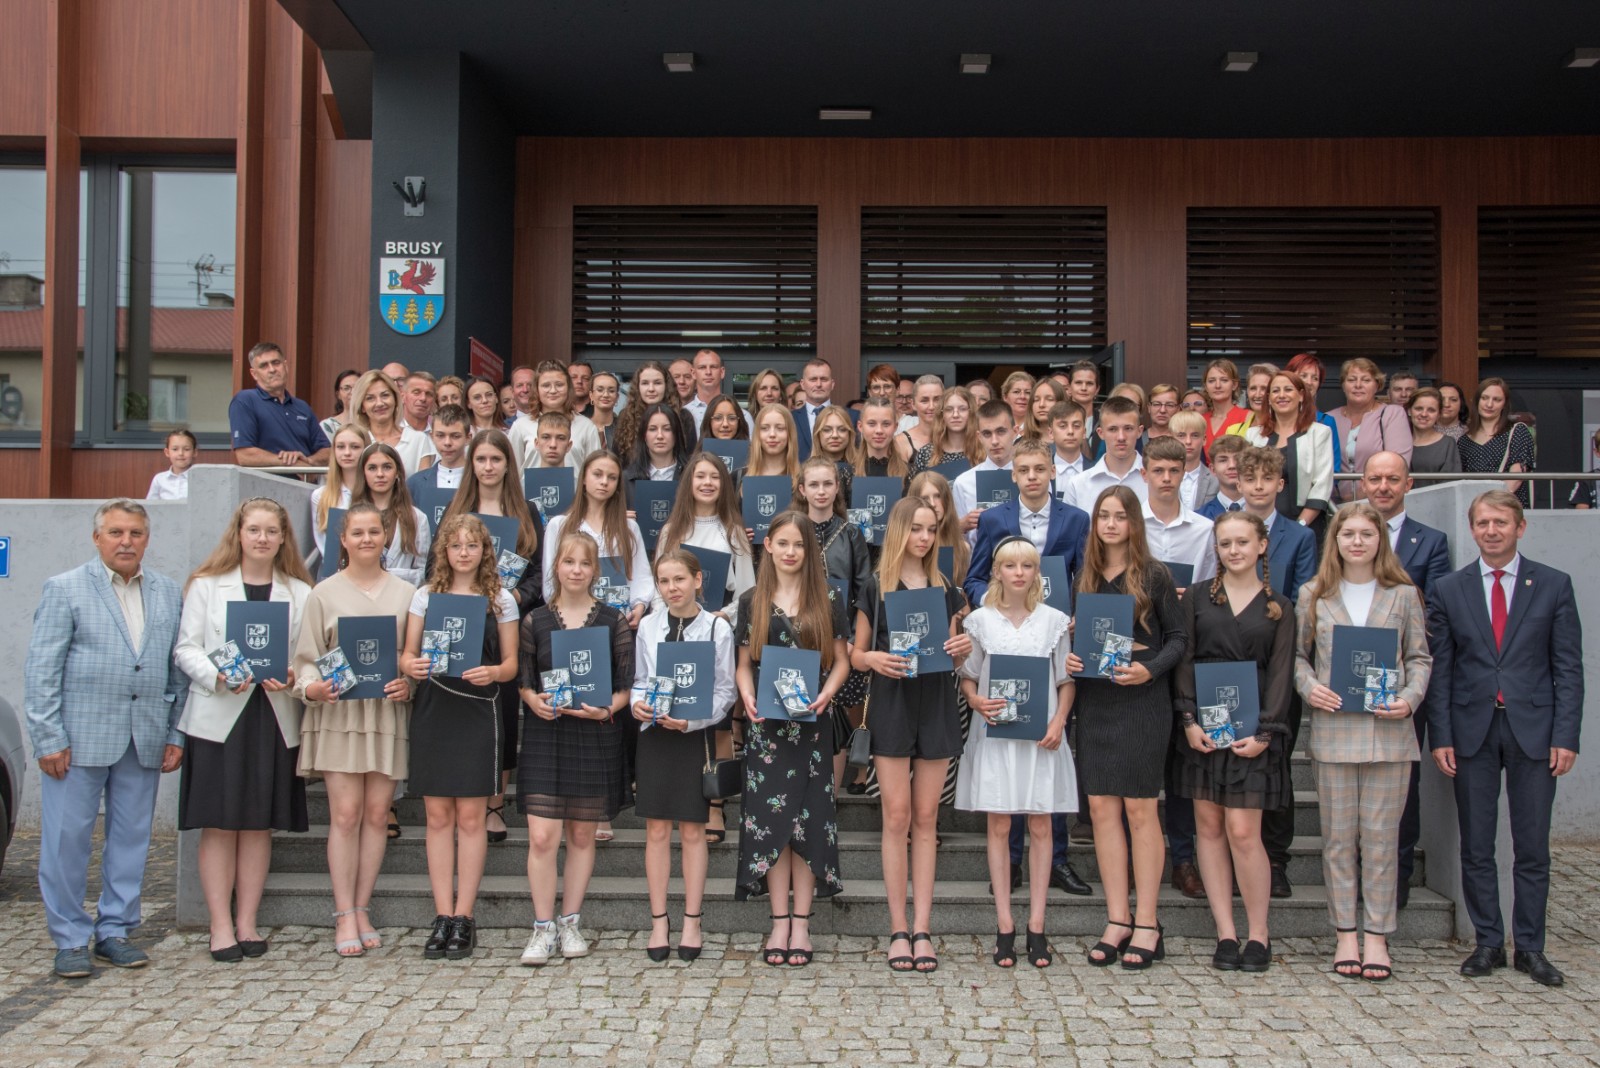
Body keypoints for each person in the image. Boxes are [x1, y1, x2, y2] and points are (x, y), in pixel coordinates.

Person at [24, 500, 188, 978]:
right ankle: (70, 937)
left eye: (135, 533)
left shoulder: (167, 591)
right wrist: (48, 737)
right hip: (77, 740)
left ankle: (115, 929)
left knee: (132, 839)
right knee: (66, 840)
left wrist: (175, 732)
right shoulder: (65, 588)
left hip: (144, 735)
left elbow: (175, 671)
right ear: (97, 538)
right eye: (116, 532)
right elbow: (42, 670)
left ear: (147, 539)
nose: (126, 541)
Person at [1426, 490, 1583, 988]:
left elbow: (1568, 668)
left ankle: (1530, 947)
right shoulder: (1449, 589)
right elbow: (1441, 670)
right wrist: (1441, 734)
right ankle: (1488, 942)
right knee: (1476, 843)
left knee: (1532, 845)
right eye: (1483, 523)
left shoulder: (1553, 585)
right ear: (1472, 529)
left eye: (1501, 522)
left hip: (1534, 732)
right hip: (1470, 730)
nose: (1491, 531)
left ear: (1520, 527)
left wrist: (1566, 735)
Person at [1293, 502, 1431, 982]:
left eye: (1366, 534)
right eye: (1347, 533)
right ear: (1334, 540)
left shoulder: (1403, 594)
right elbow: (1297, 657)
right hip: (1335, 732)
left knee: (1381, 841)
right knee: (1337, 841)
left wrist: (1409, 699)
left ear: (1379, 541)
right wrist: (1311, 688)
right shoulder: (1314, 593)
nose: (1356, 542)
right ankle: (1345, 933)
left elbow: (1420, 658)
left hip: (1389, 734)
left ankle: (1377, 935)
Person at [174, 499, 313, 962]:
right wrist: (217, 674)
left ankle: (247, 921)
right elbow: (185, 649)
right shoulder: (206, 585)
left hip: (273, 715)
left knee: (257, 824)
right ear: (238, 533)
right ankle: (219, 924)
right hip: (219, 715)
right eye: (254, 530)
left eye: (271, 531)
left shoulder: (299, 591)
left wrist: (293, 675)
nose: (262, 538)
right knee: (219, 823)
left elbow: (306, 656)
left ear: (283, 537)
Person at [962, 440, 1091, 897]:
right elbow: (973, 577)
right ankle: (1012, 862)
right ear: (1013, 475)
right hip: (1005, 639)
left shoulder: (1076, 519)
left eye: (1040, 468)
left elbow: (1084, 577)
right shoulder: (994, 519)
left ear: (1052, 472)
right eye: (1024, 470)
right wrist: (997, 608)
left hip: (1049, 640)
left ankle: (1056, 860)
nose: (1032, 476)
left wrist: (1075, 615)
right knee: (1008, 759)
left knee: (1044, 760)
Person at [291, 501, 414, 957]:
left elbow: (412, 658)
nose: (366, 539)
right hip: (340, 715)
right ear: (342, 540)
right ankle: (343, 912)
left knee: (378, 815)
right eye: (357, 533)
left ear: (386, 537)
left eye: (374, 532)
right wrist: (312, 688)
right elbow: (306, 659)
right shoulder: (323, 593)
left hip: (384, 714)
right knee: (345, 815)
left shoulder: (406, 593)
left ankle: (362, 907)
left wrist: (410, 685)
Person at [1173, 511, 1294, 973]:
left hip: (1253, 730)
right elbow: (1185, 659)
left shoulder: (1279, 606)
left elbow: (1282, 672)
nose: (1234, 550)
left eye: (1243, 542)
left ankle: (1259, 933)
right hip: (1205, 727)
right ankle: (1225, 931)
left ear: (1262, 545)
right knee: (1208, 829)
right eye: (1225, 543)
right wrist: (1188, 719)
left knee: (1243, 832)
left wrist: (1266, 731)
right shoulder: (1198, 597)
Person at [1074, 485, 1187, 969]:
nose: (1111, 524)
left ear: (1134, 523)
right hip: (1096, 702)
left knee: (1141, 811)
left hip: (1142, 700)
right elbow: (1077, 638)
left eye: (1120, 516)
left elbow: (1179, 639)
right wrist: (1072, 658)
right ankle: (1117, 918)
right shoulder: (1084, 576)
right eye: (1104, 516)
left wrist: (1150, 669)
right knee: (1102, 810)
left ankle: (1147, 922)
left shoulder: (1154, 575)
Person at [733, 511, 852, 966]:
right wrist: (746, 694)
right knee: (774, 826)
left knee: (808, 823)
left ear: (809, 550)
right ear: (767, 546)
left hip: (812, 726)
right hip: (766, 729)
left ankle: (801, 924)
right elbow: (744, 664)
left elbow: (841, 660)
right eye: (782, 543)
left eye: (799, 544)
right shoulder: (752, 600)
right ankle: (778, 922)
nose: (790, 551)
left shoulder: (830, 597)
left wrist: (827, 693)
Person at [401, 514, 520, 960]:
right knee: (437, 818)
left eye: (473, 545)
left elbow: (511, 664)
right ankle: (442, 915)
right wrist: (411, 665)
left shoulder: (500, 599)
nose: (464, 552)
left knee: (471, 818)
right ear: (444, 551)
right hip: (435, 708)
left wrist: (494, 672)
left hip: (479, 708)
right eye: (456, 546)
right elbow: (407, 655)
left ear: (485, 551)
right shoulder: (424, 596)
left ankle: (464, 916)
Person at [516, 528, 635, 965]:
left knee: (583, 834)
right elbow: (525, 680)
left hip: (594, 735)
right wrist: (533, 700)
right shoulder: (535, 621)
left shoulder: (612, 621)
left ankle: (570, 922)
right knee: (542, 837)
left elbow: (625, 686)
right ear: (557, 566)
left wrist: (606, 710)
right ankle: (542, 927)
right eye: (569, 562)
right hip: (546, 735)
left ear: (595, 571)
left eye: (585, 563)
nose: (577, 570)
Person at [956, 537, 1077, 968]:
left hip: (1041, 736)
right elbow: (969, 676)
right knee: (999, 824)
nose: (1019, 573)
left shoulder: (1055, 621)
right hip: (997, 735)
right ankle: (1005, 924)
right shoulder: (979, 621)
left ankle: (1037, 925)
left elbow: (1065, 680)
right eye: (1011, 565)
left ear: (1037, 572)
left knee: (1041, 825)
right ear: (997, 572)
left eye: (1027, 565)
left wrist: (1059, 721)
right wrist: (975, 700)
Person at [631, 550, 737, 962]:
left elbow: (725, 689)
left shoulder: (716, 628)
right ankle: (659, 921)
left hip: (695, 736)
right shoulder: (649, 626)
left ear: (697, 580)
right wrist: (638, 704)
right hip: (656, 736)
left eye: (679, 579)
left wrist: (692, 722)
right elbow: (641, 680)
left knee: (693, 831)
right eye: (663, 581)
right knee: (656, 831)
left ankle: (692, 920)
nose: (671, 588)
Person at [1359, 450, 1451, 906]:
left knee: (1401, 784)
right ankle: (1356, 873)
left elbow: (1435, 613)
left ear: (1408, 484)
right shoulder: (1348, 533)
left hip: (1401, 678)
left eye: (1392, 479)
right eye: (1375, 478)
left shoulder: (1430, 542)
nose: (1383, 487)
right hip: (1351, 674)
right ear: (1362, 483)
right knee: (1353, 782)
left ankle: (1395, 877)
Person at [796, 455, 874, 793]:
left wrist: (855, 637)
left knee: (843, 705)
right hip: (801, 633)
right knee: (806, 702)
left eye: (827, 483)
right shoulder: (793, 530)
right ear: (802, 489)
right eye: (813, 484)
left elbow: (864, 588)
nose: (821, 491)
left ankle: (845, 779)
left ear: (837, 487)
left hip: (843, 634)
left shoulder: (851, 532)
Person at [542, 451, 652, 627]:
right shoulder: (560, 525)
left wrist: (639, 607)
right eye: (597, 474)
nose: (604, 482)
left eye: (612, 477)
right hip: (572, 622)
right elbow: (550, 577)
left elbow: (640, 574)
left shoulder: (629, 528)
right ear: (584, 478)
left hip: (618, 622)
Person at [1248, 371, 1335, 536]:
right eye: (1275, 391)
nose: (1281, 395)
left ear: (1301, 396)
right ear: (1269, 398)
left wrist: (1299, 527)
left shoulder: (1319, 433)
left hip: (1305, 526)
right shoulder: (1253, 435)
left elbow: (1322, 486)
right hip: (1260, 526)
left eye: (1288, 389)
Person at [229, 341, 330, 468]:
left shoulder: (302, 407)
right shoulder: (245, 400)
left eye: (276, 363)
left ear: (285, 366)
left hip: (306, 479)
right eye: (264, 366)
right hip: (266, 480)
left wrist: (308, 462)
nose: (272, 369)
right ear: (254, 374)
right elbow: (245, 455)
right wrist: (290, 463)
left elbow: (328, 452)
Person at [1330, 359, 1412, 502]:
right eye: (1351, 380)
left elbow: (1398, 465)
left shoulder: (1392, 414)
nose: (1358, 385)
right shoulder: (1329, 418)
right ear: (1343, 385)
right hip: (1333, 505)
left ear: (1377, 385)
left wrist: (1361, 495)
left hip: (1379, 501)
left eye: (1366, 380)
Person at [350, 442, 431, 587]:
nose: (380, 474)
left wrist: (385, 575)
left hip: (401, 597)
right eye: (372, 468)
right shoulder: (349, 517)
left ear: (397, 472)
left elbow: (423, 573)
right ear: (363, 473)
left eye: (387, 467)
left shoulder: (417, 518)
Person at [510, 362, 604, 472]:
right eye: (546, 385)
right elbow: (513, 472)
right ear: (537, 389)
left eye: (559, 385)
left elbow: (596, 470)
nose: (553, 390)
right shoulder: (520, 426)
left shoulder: (586, 426)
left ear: (568, 388)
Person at [1061, 395, 1148, 514]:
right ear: (1100, 433)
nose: (1121, 437)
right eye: (1113, 429)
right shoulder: (1078, 485)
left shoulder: (1156, 481)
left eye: (1128, 428)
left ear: (1139, 431)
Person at [1459, 377, 1536, 508]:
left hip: (1507, 507)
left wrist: (1493, 504)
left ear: (1504, 404)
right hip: (1476, 509)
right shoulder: (1464, 441)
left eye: (1497, 400)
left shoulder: (1517, 431)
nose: (1489, 404)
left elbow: (1517, 476)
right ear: (1477, 401)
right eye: (1485, 398)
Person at [951, 401, 1020, 544]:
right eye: (987, 434)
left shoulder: (1032, 478)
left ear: (1015, 432)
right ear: (979, 437)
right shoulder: (963, 482)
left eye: (1001, 431)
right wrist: (961, 526)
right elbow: (959, 544)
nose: (994, 441)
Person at [349, 369, 437, 478]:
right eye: (370, 398)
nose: (379, 403)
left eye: (385, 395)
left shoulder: (418, 440)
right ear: (362, 406)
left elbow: (422, 485)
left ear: (395, 399)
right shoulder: (355, 442)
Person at [309, 424, 371, 562]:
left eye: (355, 447)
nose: (347, 453)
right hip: (334, 567)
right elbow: (322, 542)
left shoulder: (376, 493)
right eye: (341, 447)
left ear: (366, 449)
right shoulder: (320, 496)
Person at [1284, 352, 1345, 475]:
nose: (1309, 382)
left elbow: (1333, 468)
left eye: (1315, 378)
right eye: (1303, 376)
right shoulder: (1276, 418)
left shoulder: (1326, 421)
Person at [908, 470, 970, 589]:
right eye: (925, 498)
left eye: (937, 496)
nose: (932, 503)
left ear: (947, 499)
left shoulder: (962, 548)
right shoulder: (906, 547)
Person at [613, 362, 676, 467]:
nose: (651, 389)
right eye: (645, 383)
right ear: (638, 387)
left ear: (666, 386)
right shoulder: (626, 417)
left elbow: (688, 461)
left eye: (657, 383)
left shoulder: (682, 416)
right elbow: (618, 460)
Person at [910, 387, 983, 477]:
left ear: (971, 412)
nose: (955, 415)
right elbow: (916, 485)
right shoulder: (927, 453)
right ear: (942, 414)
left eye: (962, 409)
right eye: (949, 409)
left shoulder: (984, 451)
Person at [792, 358, 857, 458]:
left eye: (824, 379)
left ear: (832, 384)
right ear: (803, 384)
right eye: (813, 379)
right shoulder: (789, 419)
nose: (818, 384)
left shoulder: (854, 417)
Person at [405, 404, 469, 500]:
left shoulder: (480, 480)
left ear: (468, 438)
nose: (447, 443)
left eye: (455, 436)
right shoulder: (414, 484)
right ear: (432, 437)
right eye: (440, 435)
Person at [684, 349, 754, 435]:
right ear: (693, 373)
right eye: (702, 367)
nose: (708, 372)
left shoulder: (742, 416)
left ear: (722, 372)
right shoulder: (682, 414)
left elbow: (750, 444)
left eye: (713, 367)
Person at [622, 403, 693, 488]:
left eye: (667, 429)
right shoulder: (627, 478)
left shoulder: (692, 475)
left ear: (676, 434)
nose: (660, 436)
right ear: (644, 435)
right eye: (652, 429)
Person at [1404, 388, 1463, 476]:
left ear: (1439, 414)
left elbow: (1451, 482)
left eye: (1431, 410)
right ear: (1409, 410)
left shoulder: (1447, 444)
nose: (1424, 414)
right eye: (1419, 408)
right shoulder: (1399, 442)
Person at [1167, 412, 1217, 513]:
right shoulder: (1162, 478)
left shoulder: (1215, 480)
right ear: (1171, 439)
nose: (1188, 441)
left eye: (1195, 435)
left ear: (1204, 439)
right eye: (1181, 435)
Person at [850, 397, 909, 481]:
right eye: (872, 424)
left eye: (886, 424)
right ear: (860, 426)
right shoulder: (849, 472)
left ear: (895, 427)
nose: (879, 430)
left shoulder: (908, 473)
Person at [894, 375, 945, 465]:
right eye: (924, 400)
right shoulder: (900, 442)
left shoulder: (957, 438)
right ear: (913, 404)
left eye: (937, 400)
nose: (931, 406)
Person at [1200, 359, 1249, 448]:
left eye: (1224, 380)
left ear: (1234, 385)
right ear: (1206, 386)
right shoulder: (1200, 420)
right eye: (1211, 381)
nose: (1217, 385)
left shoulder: (1247, 417)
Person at [1197, 435, 1247, 518]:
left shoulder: (1265, 512)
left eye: (1238, 459)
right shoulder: (1200, 517)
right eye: (1223, 460)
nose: (1232, 465)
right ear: (1213, 469)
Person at [1047, 400, 1089, 496]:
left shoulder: (1095, 470)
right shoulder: (1041, 471)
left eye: (1076, 426)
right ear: (1051, 433)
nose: (1070, 431)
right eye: (1063, 426)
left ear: (1084, 432)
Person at [1226, 363, 1277, 439]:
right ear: (1247, 391)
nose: (1257, 395)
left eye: (1264, 388)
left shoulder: (1283, 429)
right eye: (1253, 388)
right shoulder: (1233, 431)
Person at [147, 427, 197, 500]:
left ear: (194, 452)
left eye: (186, 449)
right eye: (175, 449)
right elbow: (150, 505)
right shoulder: (159, 479)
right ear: (167, 452)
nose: (180, 453)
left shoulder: (201, 479)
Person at [319, 369, 362, 441]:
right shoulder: (328, 426)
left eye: (357, 387)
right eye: (346, 388)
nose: (352, 392)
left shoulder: (372, 423)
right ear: (338, 394)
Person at [587, 371, 620, 449]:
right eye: (600, 390)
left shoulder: (625, 429)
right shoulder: (580, 427)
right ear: (591, 395)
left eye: (611, 391)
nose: (605, 395)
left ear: (617, 397)